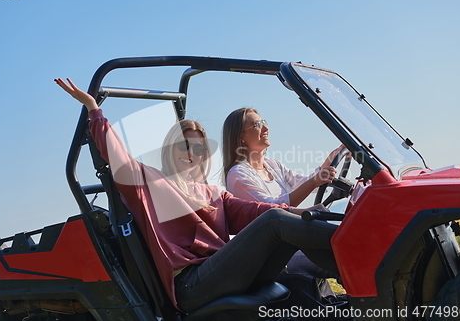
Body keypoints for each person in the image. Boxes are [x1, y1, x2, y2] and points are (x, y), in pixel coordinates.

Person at [55, 78, 340, 313]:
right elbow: (118, 158)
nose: (192, 153)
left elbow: (256, 212)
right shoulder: (153, 183)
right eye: (184, 146)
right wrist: (94, 110)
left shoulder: (213, 194)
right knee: (277, 221)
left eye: (199, 147)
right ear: (170, 151)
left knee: (286, 237)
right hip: (192, 283)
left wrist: (310, 213)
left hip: (224, 271)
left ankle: (353, 260)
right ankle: (362, 244)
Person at [222, 107, 345, 294]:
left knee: (346, 247)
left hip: (293, 241)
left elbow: (303, 183)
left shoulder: (273, 165)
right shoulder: (238, 175)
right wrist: (314, 181)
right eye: (257, 124)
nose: (265, 128)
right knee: (342, 258)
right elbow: (273, 211)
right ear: (241, 137)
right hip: (276, 255)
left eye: (264, 122)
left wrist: (335, 155)